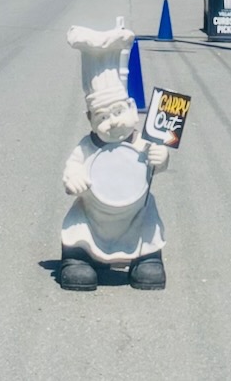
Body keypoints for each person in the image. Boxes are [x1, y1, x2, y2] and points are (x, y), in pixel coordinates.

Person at [59, 24, 169, 291]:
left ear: (132, 108)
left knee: (148, 222)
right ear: (90, 120)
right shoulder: (88, 146)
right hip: (94, 216)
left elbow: (160, 163)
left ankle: (146, 259)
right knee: (79, 231)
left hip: (135, 215)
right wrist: (73, 178)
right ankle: (79, 260)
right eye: (102, 117)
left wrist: (161, 155)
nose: (112, 123)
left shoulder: (142, 140)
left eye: (118, 112)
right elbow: (72, 168)